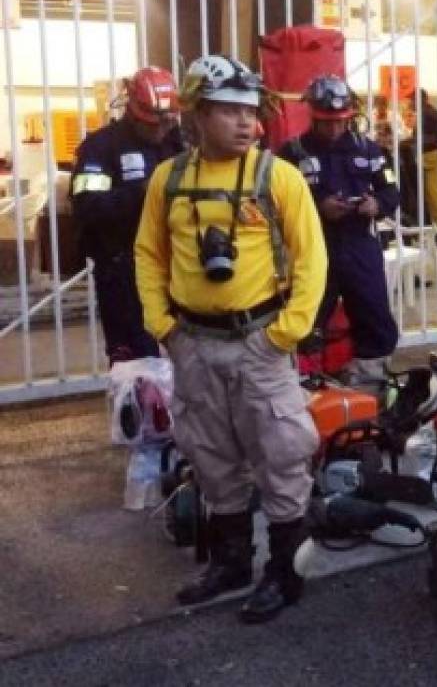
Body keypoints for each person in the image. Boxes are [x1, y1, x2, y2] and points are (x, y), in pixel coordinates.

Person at [134, 53, 327, 624]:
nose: (247, 124)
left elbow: (313, 261)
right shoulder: (168, 181)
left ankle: (285, 575)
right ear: (195, 114)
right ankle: (231, 563)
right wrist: (163, 326)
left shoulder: (279, 178)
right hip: (193, 343)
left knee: (282, 457)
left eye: (251, 112)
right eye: (230, 111)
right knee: (212, 459)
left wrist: (284, 334)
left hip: (260, 343)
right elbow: (149, 255)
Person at [280, 75, 401, 388]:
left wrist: (377, 204)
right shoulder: (291, 155)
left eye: (340, 122)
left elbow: (391, 191)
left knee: (374, 317)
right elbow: (273, 206)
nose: (333, 129)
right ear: (312, 116)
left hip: (360, 246)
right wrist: (318, 209)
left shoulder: (371, 151)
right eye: (325, 123)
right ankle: (302, 385)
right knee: (304, 319)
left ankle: (371, 386)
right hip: (312, 249)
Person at [71, 67, 184, 363]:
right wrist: (143, 192)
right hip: (123, 271)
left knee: (188, 360)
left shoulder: (179, 143)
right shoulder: (100, 149)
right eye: (153, 124)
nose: (161, 130)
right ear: (133, 112)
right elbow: (88, 206)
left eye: (167, 121)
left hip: (178, 267)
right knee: (136, 367)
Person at [409, 88, 437, 245]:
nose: (410, 103)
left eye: (412, 100)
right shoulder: (428, 113)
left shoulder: (428, 114)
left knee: (433, 197)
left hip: (431, 157)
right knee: (431, 196)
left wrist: (421, 142)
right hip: (430, 156)